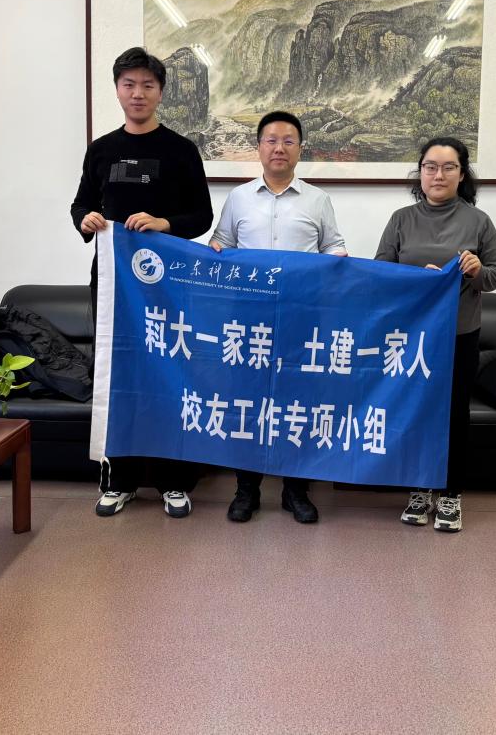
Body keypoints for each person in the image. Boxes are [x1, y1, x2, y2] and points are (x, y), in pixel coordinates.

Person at [71, 46, 213, 520]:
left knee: (170, 373)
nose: (138, 93)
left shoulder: (181, 150)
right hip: (115, 286)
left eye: (147, 85)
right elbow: (81, 204)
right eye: (129, 85)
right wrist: (86, 219)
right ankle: (120, 480)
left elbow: (201, 216)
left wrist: (164, 223)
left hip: (169, 284)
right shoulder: (101, 150)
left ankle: (174, 481)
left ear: (160, 92)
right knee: (118, 376)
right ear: (117, 90)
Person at [209, 110, 347, 524]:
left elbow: (334, 248)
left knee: (298, 402)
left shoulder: (318, 200)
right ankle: (246, 490)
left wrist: (337, 260)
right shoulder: (238, 198)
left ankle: (295, 490)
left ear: (300, 149)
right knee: (247, 402)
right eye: (271, 140)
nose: (279, 148)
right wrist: (213, 251)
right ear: (259, 147)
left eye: (288, 141)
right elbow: (222, 243)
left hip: (300, 318)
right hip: (248, 320)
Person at [375, 136, 496, 532]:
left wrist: (476, 271)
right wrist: (417, 278)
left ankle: (451, 494)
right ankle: (419, 488)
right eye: (430, 166)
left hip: (458, 333)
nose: (439, 174)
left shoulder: (478, 221)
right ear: (420, 172)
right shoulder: (401, 219)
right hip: (410, 335)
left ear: (462, 174)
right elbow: (381, 270)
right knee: (413, 409)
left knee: (453, 414)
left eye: (449, 167)